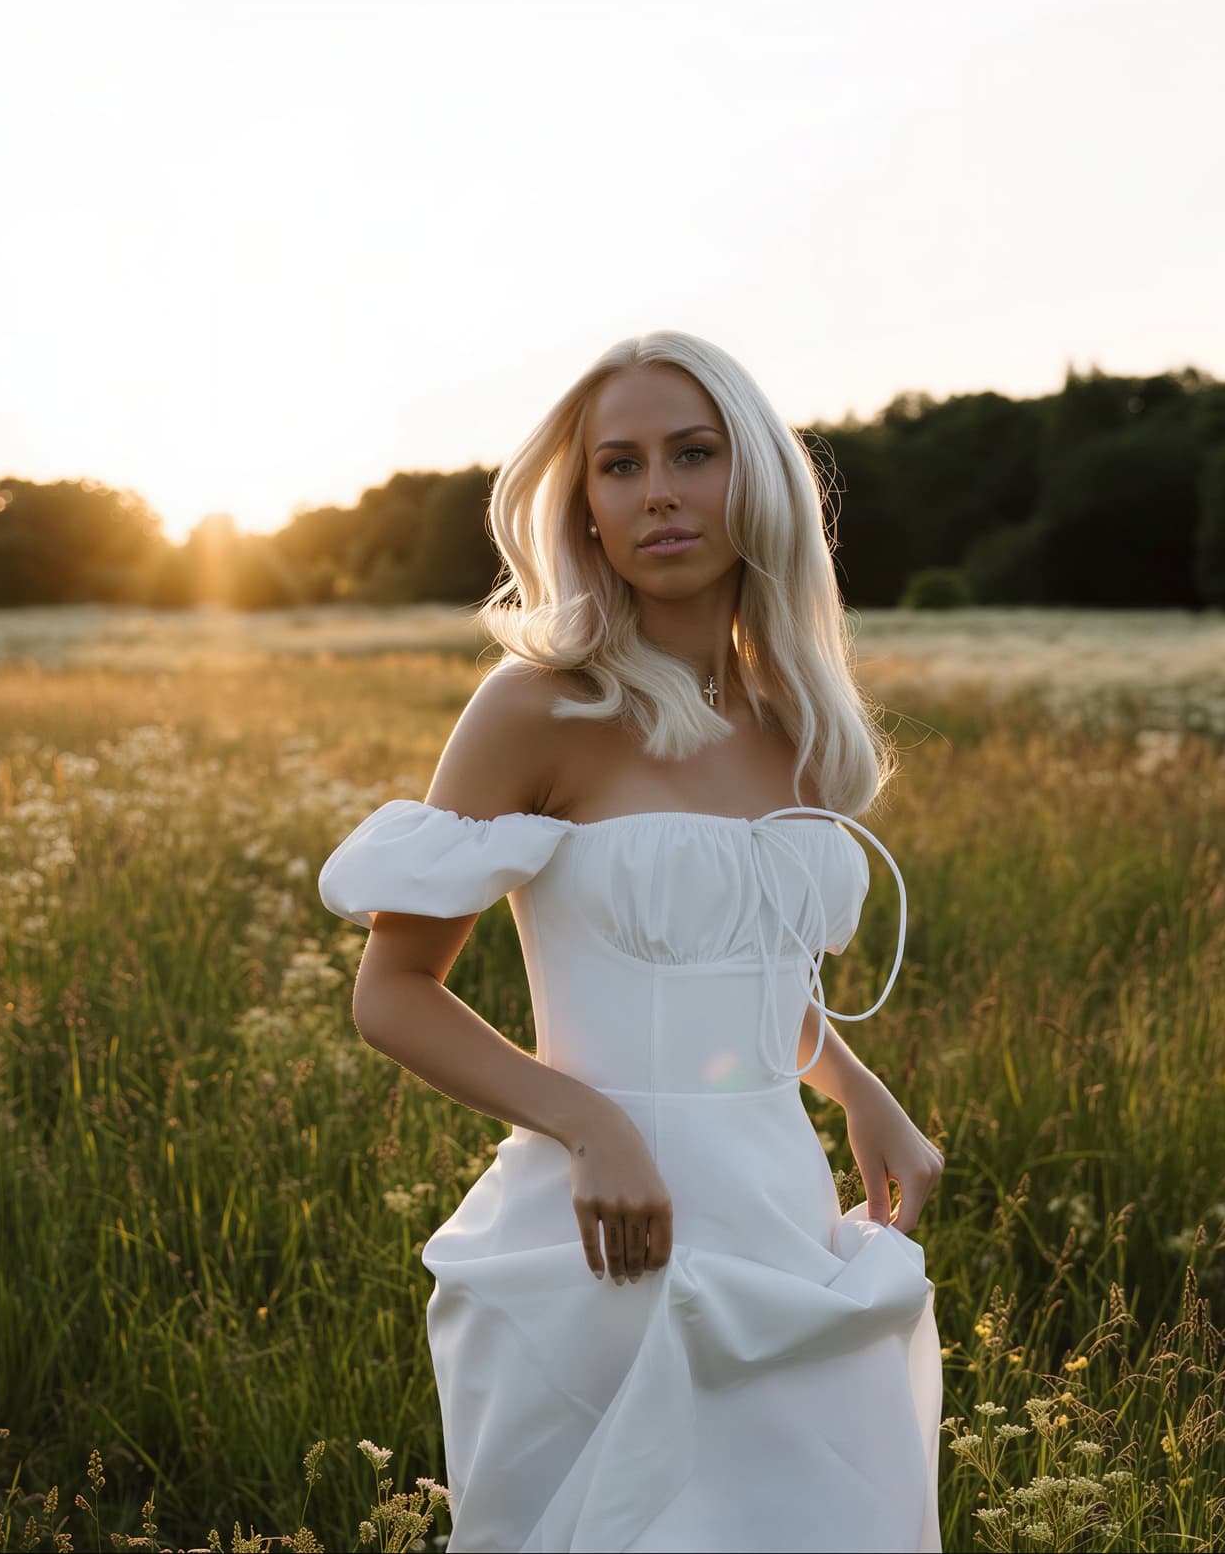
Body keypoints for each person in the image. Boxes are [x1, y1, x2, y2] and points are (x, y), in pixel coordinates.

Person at [317, 330, 944, 1552]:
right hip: (607, 1233)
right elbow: (392, 991)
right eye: (618, 465)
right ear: (586, 510)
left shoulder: (797, 720)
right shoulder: (539, 705)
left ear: (754, 480)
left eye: (692, 453)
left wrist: (862, 1092)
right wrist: (590, 1120)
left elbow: (741, 976)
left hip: (778, 1216)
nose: (656, 490)